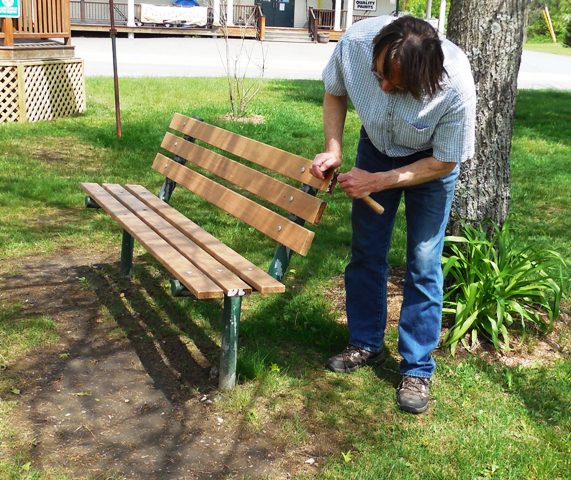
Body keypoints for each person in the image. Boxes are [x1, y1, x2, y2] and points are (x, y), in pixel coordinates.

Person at [310, 15, 476, 414]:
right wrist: (333, 149)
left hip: (429, 162)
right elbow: (335, 92)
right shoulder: (354, 44)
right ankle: (366, 343)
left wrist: (378, 181)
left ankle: (417, 367)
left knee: (423, 261)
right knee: (366, 250)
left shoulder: (454, 85)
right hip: (376, 143)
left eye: (396, 84)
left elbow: (445, 162)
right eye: (379, 74)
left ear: (425, 76)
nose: (383, 86)